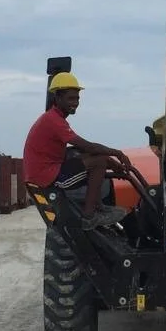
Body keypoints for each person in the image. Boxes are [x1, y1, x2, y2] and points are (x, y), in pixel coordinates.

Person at [24, 71, 131, 230]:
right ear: (58, 98)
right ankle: (89, 216)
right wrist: (117, 153)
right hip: (47, 177)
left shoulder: (54, 118)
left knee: (97, 158)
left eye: (77, 98)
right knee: (98, 162)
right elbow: (86, 146)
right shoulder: (54, 121)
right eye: (70, 98)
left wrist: (113, 164)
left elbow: (85, 150)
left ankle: (98, 206)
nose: (75, 102)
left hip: (49, 170)